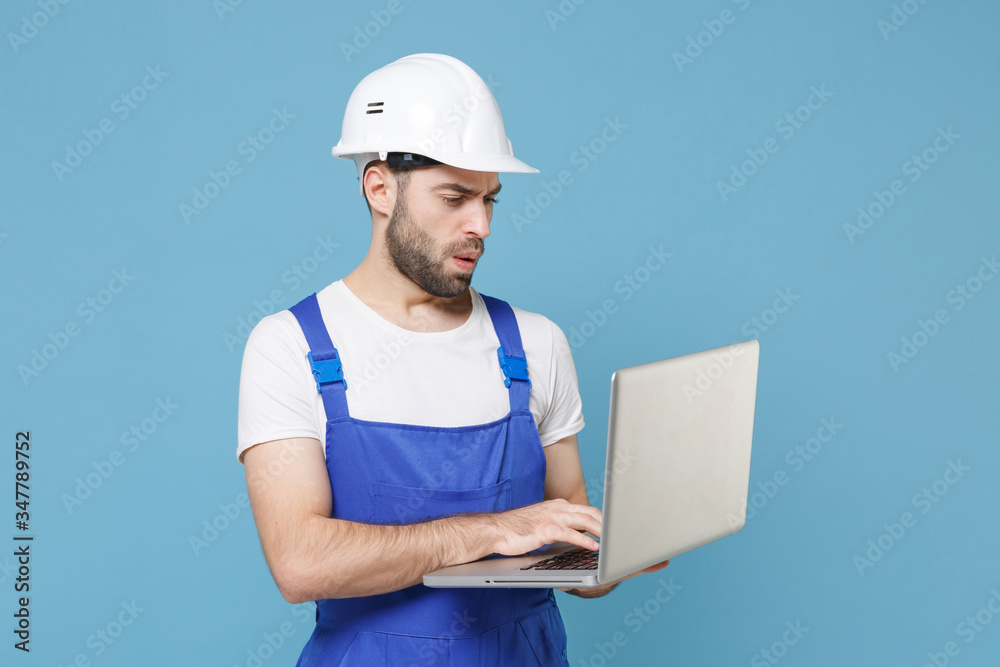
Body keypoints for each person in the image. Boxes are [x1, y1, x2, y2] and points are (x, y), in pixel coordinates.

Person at [237, 53, 667, 666]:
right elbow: (300, 564)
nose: (481, 225)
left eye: (490, 200)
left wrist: (618, 551)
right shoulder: (291, 347)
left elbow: (572, 553)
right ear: (380, 187)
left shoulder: (536, 344)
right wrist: (492, 530)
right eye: (455, 197)